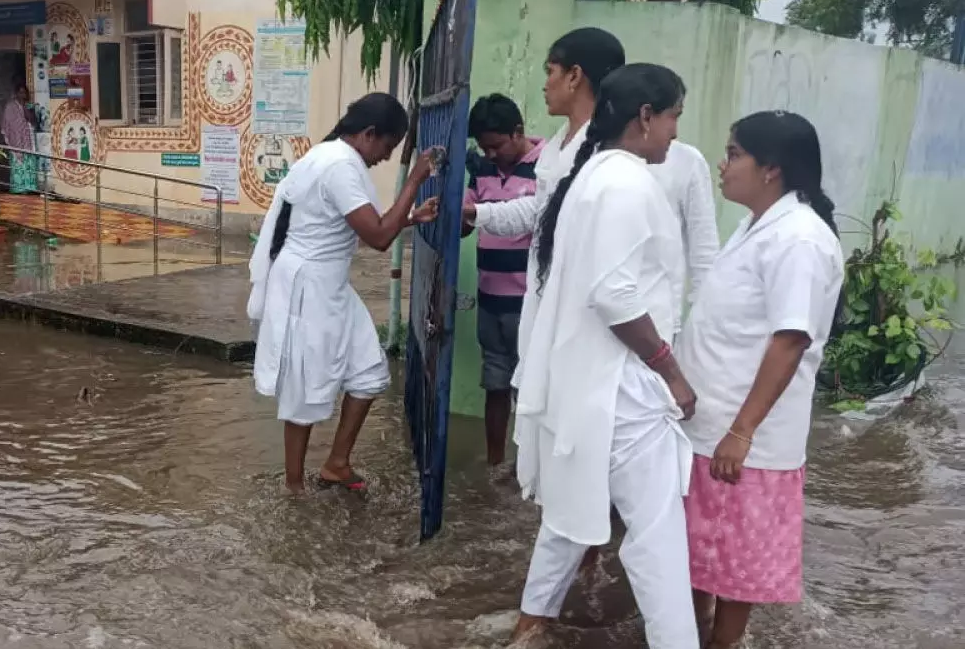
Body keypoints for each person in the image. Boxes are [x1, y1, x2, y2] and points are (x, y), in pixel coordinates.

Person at [508, 64, 787, 649]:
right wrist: (672, 373)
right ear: (643, 116)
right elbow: (614, 295)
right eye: (673, 118)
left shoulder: (593, 175)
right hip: (625, 390)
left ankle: (525, 634)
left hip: (588, 386)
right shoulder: (628, 183)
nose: (675, 133)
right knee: (660, 535)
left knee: (571, 520)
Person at [676, 111, 845, 649]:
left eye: (733, 153)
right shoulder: (757, 224)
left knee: (735, 566)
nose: (722, 166)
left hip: (742, 436)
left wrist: (741, 431)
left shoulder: (798, 238)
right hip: (711, 426)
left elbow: (790, 340)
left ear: (770, 169)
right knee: (700, 556)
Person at [248, 93, 441, 494]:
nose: (384, 158)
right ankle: (294, 486)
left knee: (369, 373)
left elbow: (365, 227)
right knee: (304, 388)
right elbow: (379, 237)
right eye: (387, 147)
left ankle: (336, 464)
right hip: (311, 285)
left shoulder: (333, 157)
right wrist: (415, 181)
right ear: (369, 134)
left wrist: (409, 217)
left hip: (329, 283)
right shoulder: (338, 165)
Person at [463, 28, 720, 324]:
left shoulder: (662, 159)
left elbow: (703, 257)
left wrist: (694, 334)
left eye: (551, 72)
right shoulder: (558, 149)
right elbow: (542, 211)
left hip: (630, 325)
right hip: (557, 312)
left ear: (574, 76)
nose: (545, 85)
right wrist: (477, 213)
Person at [462, 93, 544, 474]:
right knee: (494, 384)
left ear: (518, 132)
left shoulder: (548, 167)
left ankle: (527, 470)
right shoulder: (479, 168)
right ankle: (495, 465)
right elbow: (464, 225)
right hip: (490, 298)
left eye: (496, 145)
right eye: (485, 147)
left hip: (531, 304)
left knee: (530, 391)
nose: (491, 154)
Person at [0, 83, 39, 194]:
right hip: (15, 141)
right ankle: (18, 188)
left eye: (24, 92)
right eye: (20, 92)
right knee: (18, 165)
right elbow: (7, 124)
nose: (22, 94)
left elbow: (32, 121)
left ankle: (30, 187)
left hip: (28, 140)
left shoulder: (30, 106)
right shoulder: (10, 107)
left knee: (29, 163)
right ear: (16, 94)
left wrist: (24, 107)